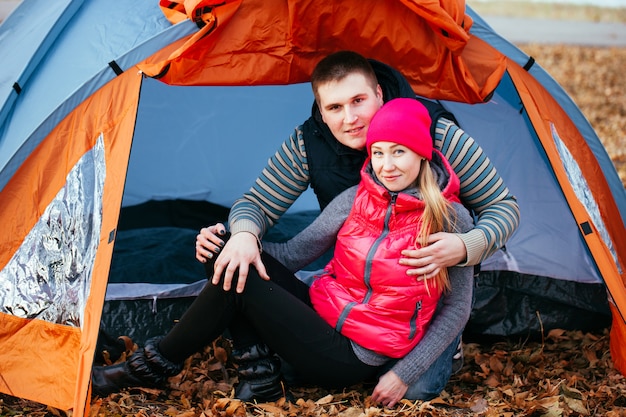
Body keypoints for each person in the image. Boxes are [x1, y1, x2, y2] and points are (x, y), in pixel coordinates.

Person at [92, 98, 476, 407]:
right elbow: (294, 253)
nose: (387, 166)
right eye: (378, 153)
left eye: (399, 152)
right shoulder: (355, 198)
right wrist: (228, 241)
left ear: (422, 155)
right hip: (324, 313)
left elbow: (457, 309)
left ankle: (153, 366)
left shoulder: (449, 218)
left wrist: (405, 373)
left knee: (235, 280)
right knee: (229, 254)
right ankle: (255, 376)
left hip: (356, 353)